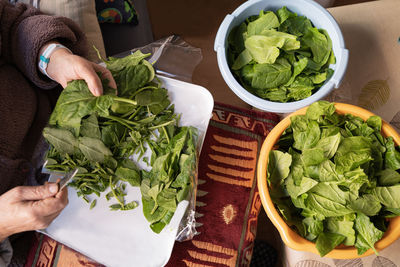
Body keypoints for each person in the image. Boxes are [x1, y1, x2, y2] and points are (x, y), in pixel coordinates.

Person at [0, 1, 116, 265]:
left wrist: (51, 58)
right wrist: (2, 226)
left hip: (63, 111)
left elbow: (12, 25)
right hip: (21, 241)